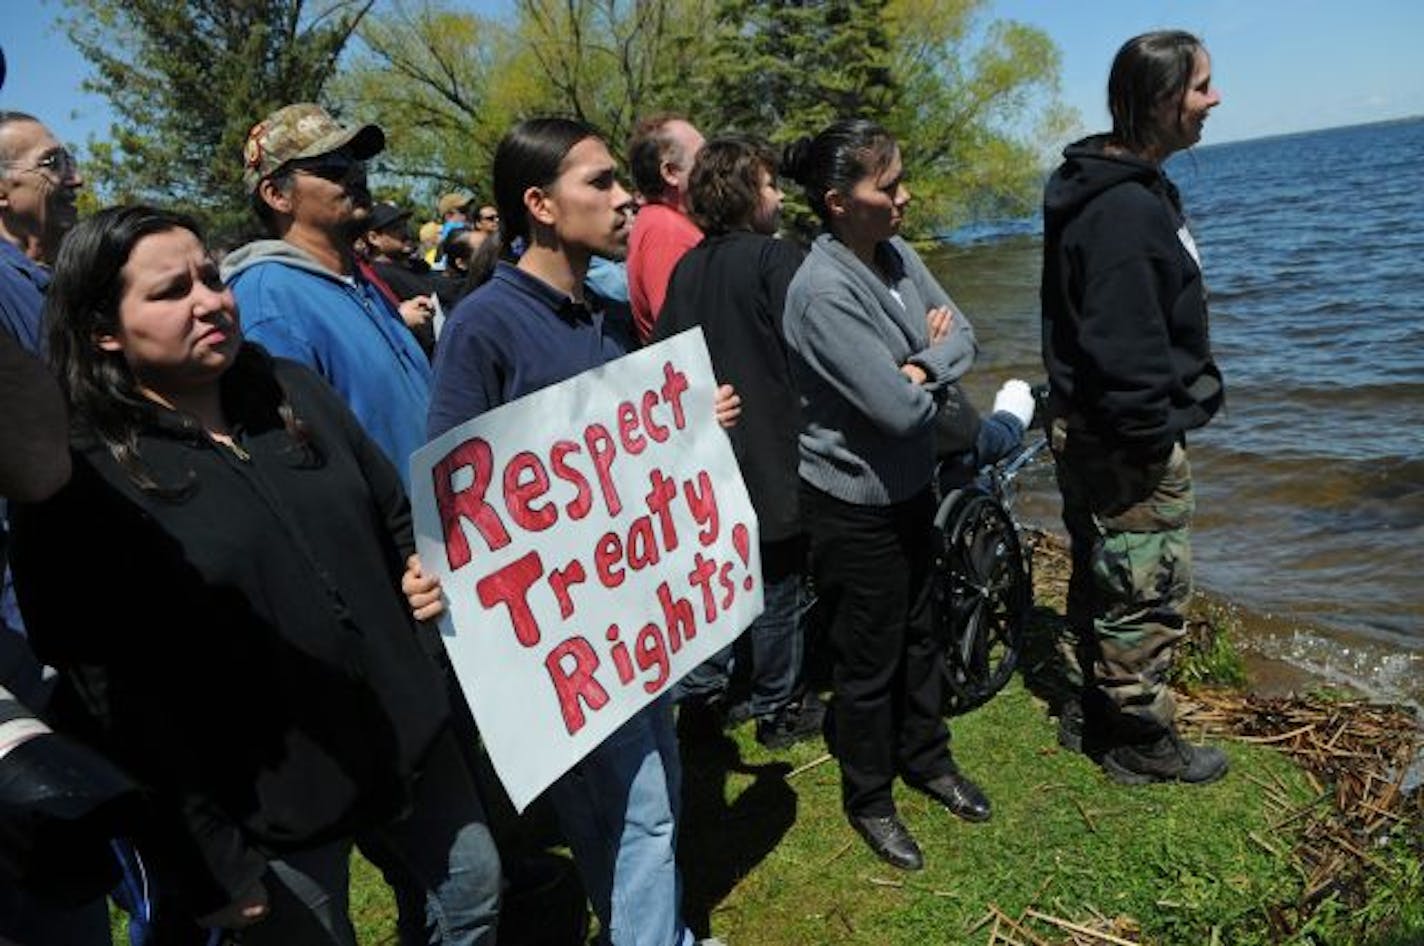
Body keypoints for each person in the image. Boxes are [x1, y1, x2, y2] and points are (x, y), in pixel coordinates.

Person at [10, 205, 502, 944]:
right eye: (171, 291)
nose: (210, 300)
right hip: (263, 809)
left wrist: (417, 582)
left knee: (472, 895)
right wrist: (211, 857)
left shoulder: (291, 389)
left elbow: (393, 513)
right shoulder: (80, 483)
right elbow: (113, 696)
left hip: (409, 737)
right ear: (103, 330)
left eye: (210, 276)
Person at [427, 117, 739, 946]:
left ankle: (653, 928)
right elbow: (456, 484)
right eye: (598, 182)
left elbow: (623, 454)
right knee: (636, 809)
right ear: (540, 204)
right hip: (561, 637)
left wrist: (695, 425)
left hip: (631, 613)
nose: (623, 197)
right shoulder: (482, 326)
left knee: (650, 789)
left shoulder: (603, 312)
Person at [781, 119, 989, 872]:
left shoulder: (897, 255)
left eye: (901, 179)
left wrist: (914, 364)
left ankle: (928, 758)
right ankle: (869, 799)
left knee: (923, 631)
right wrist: (929, 365)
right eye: (888, 185)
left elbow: (966, 332)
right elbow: (897, 411)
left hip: (909, 486)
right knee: (866, 663)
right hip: (851, 502)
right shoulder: (820, 293)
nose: (905, 196)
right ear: (838, 202)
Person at [1041, 29, 1228, 785]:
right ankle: (1139, 742)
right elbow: (1123, 348)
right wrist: (1151, 437)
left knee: (1104, 572)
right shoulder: (1122, 211)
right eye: (1200, 87)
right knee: (1145, 589)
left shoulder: (1119, 185)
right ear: (1159, 101)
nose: (1214, 100)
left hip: (1090, 427)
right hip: (1125, 438)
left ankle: (1095, 708)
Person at [653, 135, 823, 749]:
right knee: (779, 583)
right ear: (749, 194)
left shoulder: (687, 268)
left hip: (710, 454)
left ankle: (701, 697)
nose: (778, 194)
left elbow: (663, 364)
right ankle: (778, 706)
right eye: (770, 184)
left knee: (720, 577)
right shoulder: (777, 261)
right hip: (774, 448)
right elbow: (815, 349)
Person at [222, 103, 434, 485]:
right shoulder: (268, 300)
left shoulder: (358, 281)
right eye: (332, 168)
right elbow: (301, 464)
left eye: (356, 164)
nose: (354, 176)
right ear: (276, 195)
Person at [625, 115, 704, 344]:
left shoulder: (666, 224)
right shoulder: (666, 234)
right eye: (703, 157)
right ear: (670, 172)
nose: (714, 165)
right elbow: (682, 335)